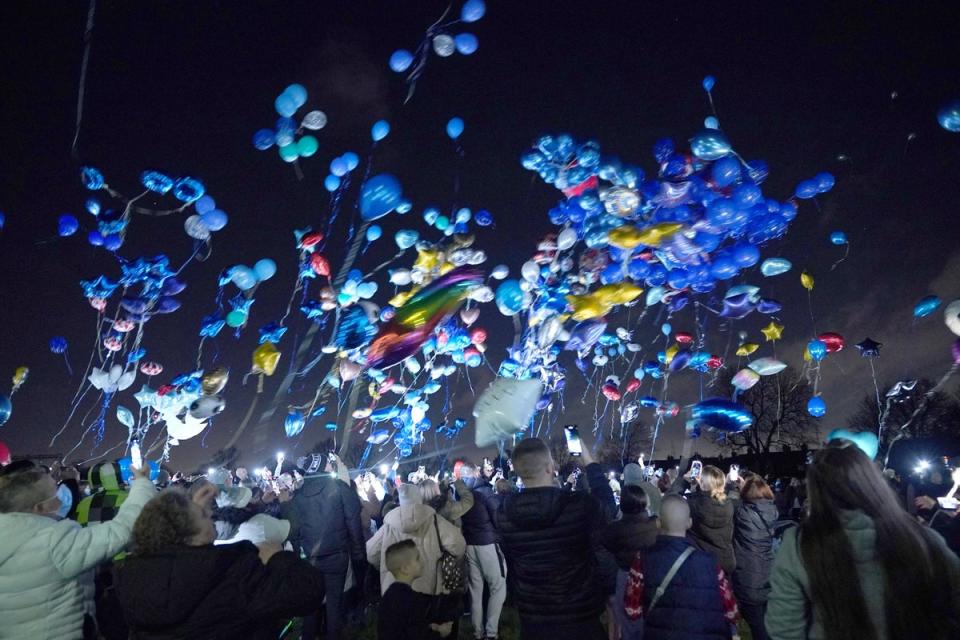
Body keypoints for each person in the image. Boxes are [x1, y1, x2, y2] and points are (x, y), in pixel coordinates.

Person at [765, 442, 960, 640]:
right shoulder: (921, 537)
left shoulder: (799, 544)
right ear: (872, 481)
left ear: (816, 490)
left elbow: (784, 629)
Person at [114, 487, 324, 639]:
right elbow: (308, 590)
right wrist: (278, 557)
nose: (212, 515)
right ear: (190, 532)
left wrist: (191, 511)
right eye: (204, 516)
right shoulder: (229, 573)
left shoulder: (133, 580)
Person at [0, 460, 154, 639]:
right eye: (55, 496)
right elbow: (122, 530)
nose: (61, 499)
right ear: (39, 507)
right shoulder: (54, 542)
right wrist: (142, 483)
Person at [496, 438, 615, 640]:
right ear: (551, 467)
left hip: (534, 615)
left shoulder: (504, 513)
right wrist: (589, 460)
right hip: (579, 615)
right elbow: (608, 507)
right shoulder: (576, 505)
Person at [624, 495, 739, 640]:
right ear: (689, 523)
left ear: (658, 523)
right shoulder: (710, 562)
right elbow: (731, 611)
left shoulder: (642, 559)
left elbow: (632, 610)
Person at [290, 452, 366, 640]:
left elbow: (295, 530)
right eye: (329, 464)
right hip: (337, 557)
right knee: (334, 606)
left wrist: (302, 554)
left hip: (311, 559)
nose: (331, 466)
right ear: (323, 466)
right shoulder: (339, 488)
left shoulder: (298, 495)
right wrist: (358, 554)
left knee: (312, 604)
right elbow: (353, 522)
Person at [367, 484, 466, 596]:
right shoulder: (434, 520)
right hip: (429, 591)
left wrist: (388, 564)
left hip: (394, 592)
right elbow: (458, 545)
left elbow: (371, 553)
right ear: (419, 497)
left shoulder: (388, 526)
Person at [460, 462, 507, 640]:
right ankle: (491, 632)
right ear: (474, 473)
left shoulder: (461, 494)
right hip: (488, 543)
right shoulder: (485, 491)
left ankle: (477, 632)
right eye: (477, 470)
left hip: (470, 545)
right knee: (498, 586)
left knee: (476, 591)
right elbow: (497, 516)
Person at [377, 540, 460, 640]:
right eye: (417, 558)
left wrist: (429, 627)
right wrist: (441, 633)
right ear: (405, 569)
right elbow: (416, 635)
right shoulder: (410, 600)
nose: (422, 561)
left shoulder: (391, 594)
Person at [732, 475, 778, 640]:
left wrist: (735, 487)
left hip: (748, 577)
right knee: (764, 624)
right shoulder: (772, 511)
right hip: (767, 573)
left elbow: (729, 505)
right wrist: (746, 487)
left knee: (758, 628)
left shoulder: (742, 513)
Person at [687, 465, 736, 575]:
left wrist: (686, 482)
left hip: (701, 563)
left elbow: (670, 501)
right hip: (725, 562)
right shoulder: (730, 505)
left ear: (702, 482)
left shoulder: (693, 505)